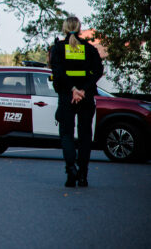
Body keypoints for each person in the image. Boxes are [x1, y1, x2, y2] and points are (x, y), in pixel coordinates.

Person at [49, 16, 103, 188]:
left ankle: (70, 170)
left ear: (64, 29)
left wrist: (73, 89)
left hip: (67, 96)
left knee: (66, 134)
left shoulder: (58, 48)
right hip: (86, 98)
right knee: (85, 136)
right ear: (80, 29)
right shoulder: (89, 49)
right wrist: (83, 90)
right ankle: (83, 175)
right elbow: (98, 71)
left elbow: (57, 72)